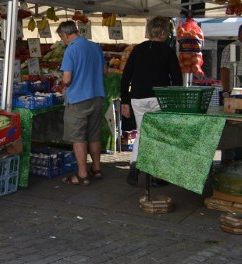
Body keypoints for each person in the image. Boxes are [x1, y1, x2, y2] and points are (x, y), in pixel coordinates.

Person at [121, 17, 182, 185]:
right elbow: (177, 78)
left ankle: (134, 165)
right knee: (159, 134)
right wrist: (175, 100)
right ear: (163, 33)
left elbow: (126, 77)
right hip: (158, 98)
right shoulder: (168, 51)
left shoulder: (138, 49)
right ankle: (157, 175)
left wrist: (125, 101)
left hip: (138, 98)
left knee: (142, 132)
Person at [57, 20, 107, 186]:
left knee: (78, 138)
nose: (63, 41)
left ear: (65, 34)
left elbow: (67, 78)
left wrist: (62, 85)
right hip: (97, 96)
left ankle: (82, 175)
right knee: (93, 135)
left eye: (62, 37)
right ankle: (97, 169)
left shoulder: (71, 49)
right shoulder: (95, 46)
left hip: (79, 99)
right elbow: (105, 71)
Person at [219, 24, 242, 163]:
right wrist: (226, 92)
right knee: (232, 132)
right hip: (235, 95)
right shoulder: (235, 48)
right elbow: (225, 70)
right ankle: (228, 162)